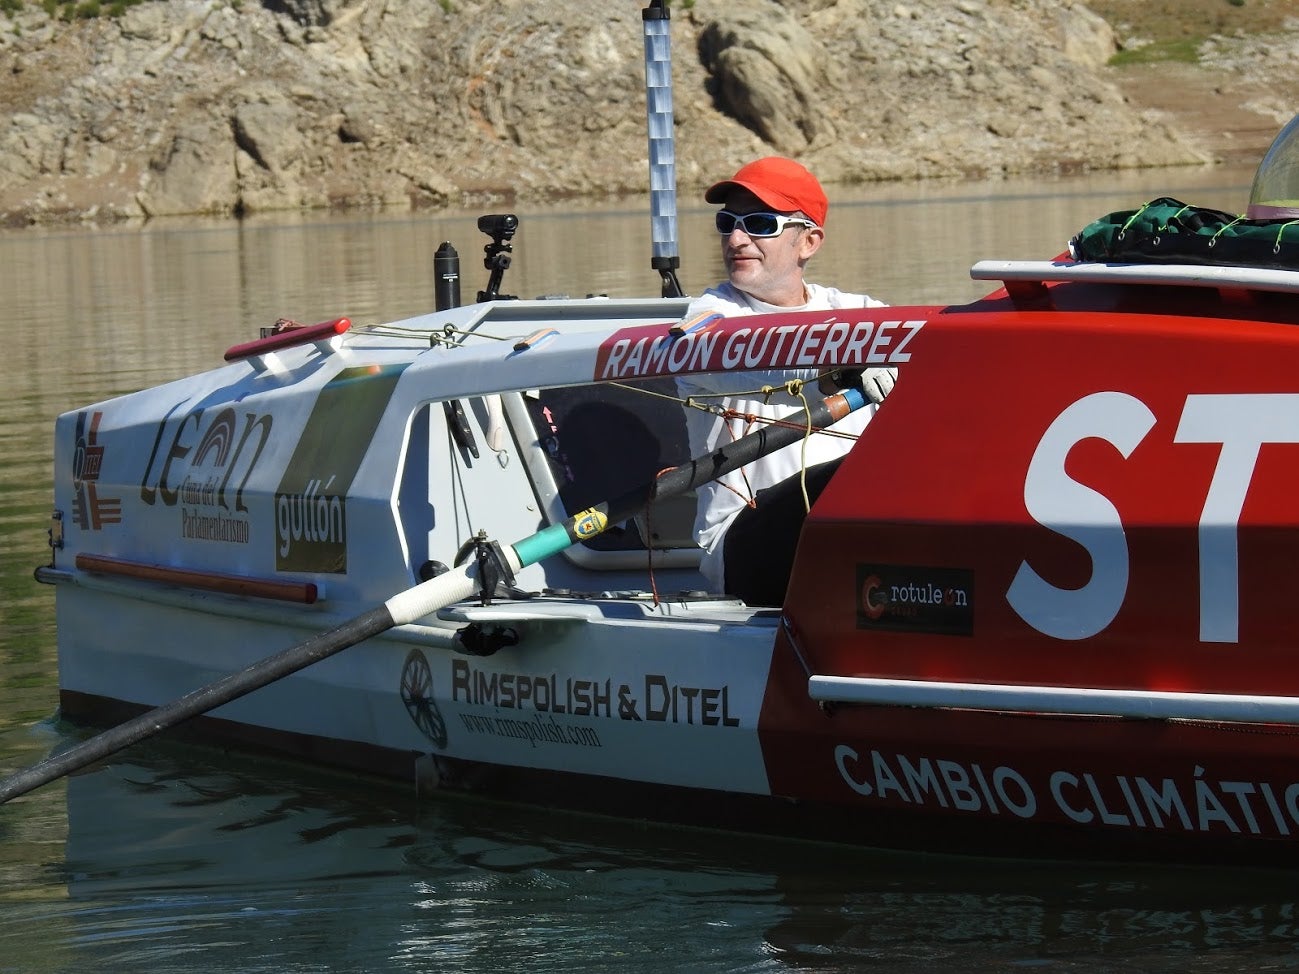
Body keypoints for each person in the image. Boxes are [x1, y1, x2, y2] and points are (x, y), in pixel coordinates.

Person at [676, 155, 895, 606]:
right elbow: (744, 356)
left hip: (851, 530)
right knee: (858, 482)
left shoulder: (860, 311)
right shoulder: (706, 319)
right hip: (742, 543)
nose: (736, 239)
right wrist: (837, 365)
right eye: (727, 222)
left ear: (808, 242)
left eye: (758, 223)